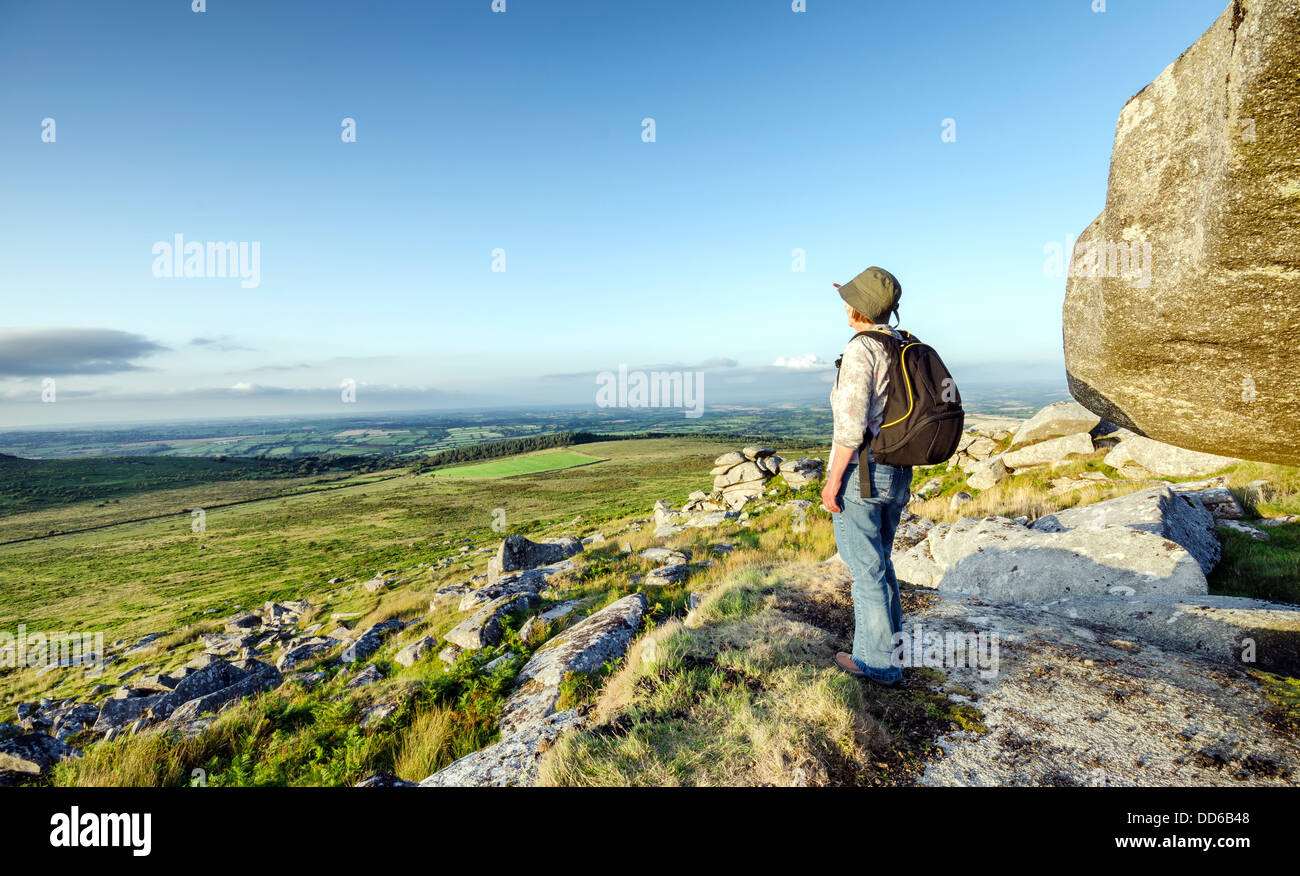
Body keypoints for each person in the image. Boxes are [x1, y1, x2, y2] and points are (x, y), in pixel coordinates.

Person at [820, 266, 912, 685]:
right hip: (897, 471)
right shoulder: (902, 343)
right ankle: (892, 651)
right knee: (881, 563)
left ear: (858, 310)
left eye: (849, 299)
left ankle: (877, 663)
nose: (845, 304)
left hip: (864, 475)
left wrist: (833, 479)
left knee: (865, 570)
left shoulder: (862, 350)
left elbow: (852, 425)